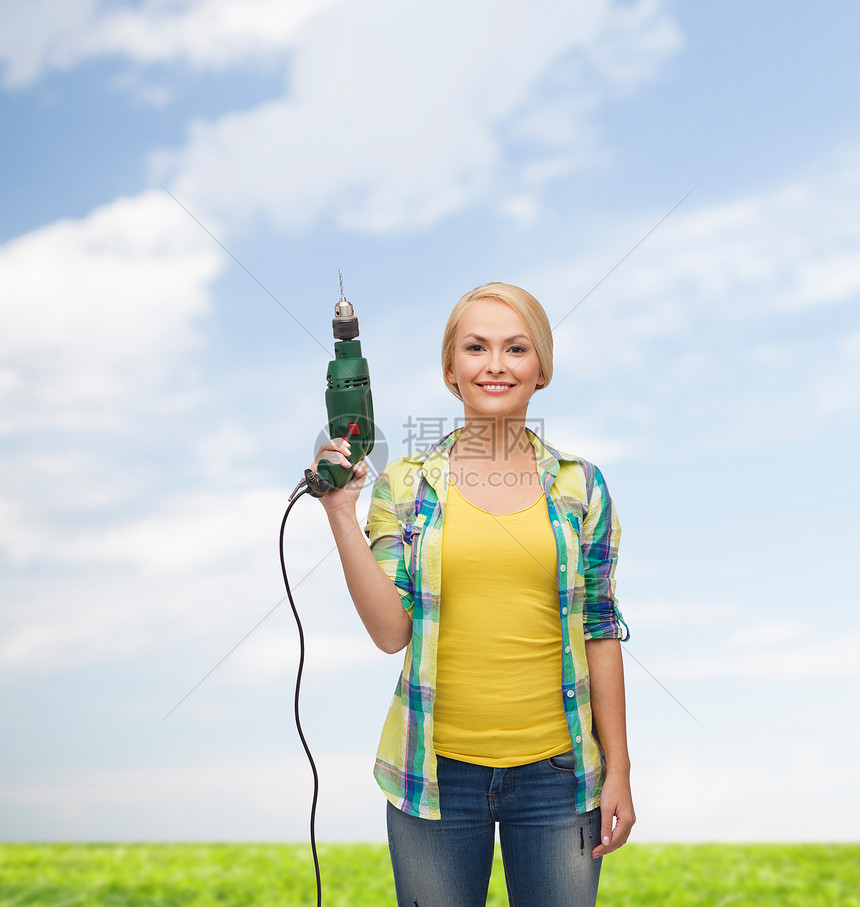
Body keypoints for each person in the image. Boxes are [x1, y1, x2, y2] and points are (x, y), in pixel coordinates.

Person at [311, 282, 634, 907]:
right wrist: (341, 514)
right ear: (449, 368)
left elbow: (599, 630)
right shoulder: (405, 486)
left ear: (541, 369)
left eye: (516, 348)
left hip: (559, 779)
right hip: (435, 777)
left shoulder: (582, 487)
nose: (495, 364)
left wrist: (619, 766)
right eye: (476, 347)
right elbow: (389, 633)